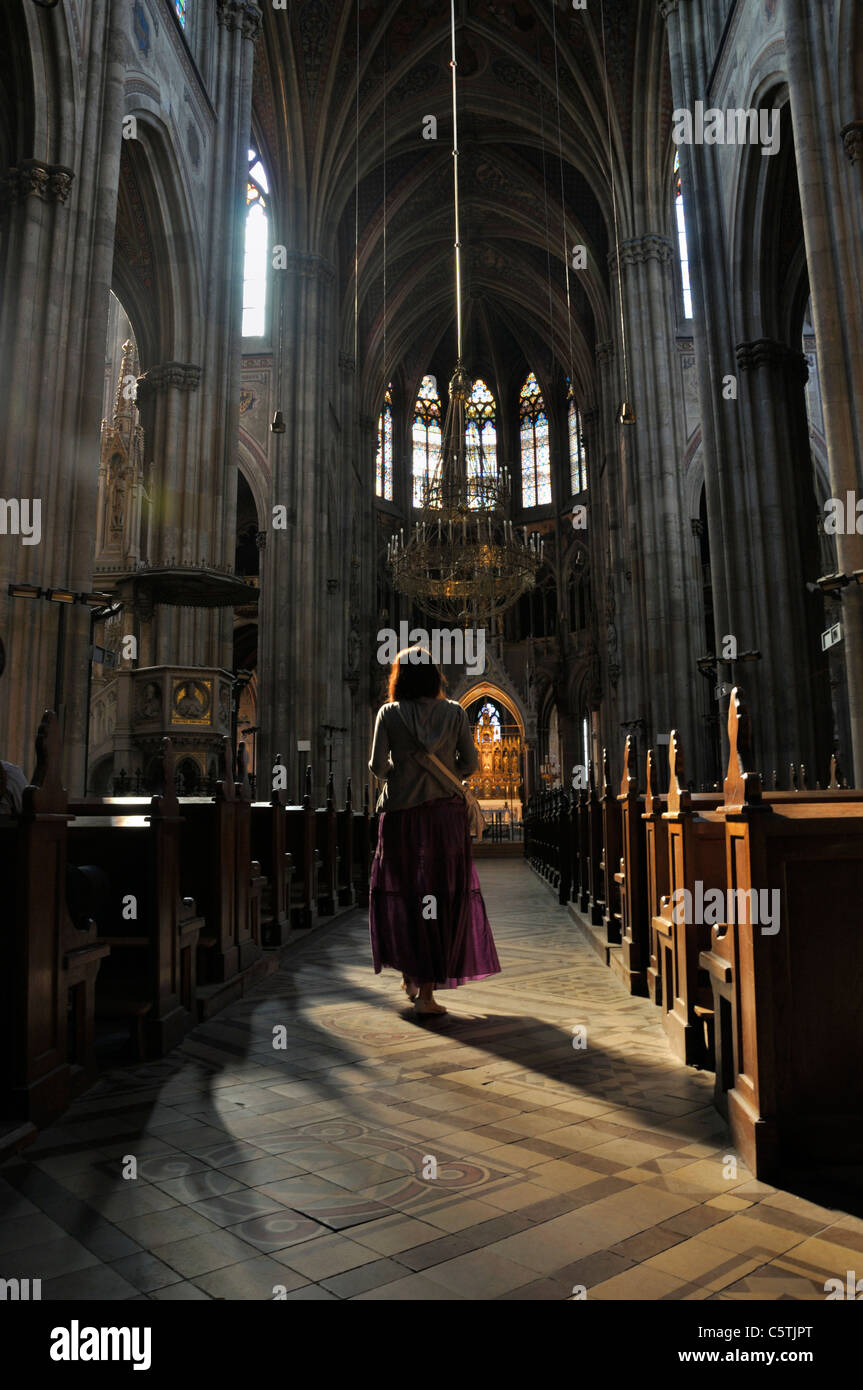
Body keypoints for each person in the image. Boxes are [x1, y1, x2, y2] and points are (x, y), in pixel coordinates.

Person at [368, 647, 501, 1016]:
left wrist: (404, 767)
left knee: (406, 896)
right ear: (434, 676)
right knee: (439, 899)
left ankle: (411, 974)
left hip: (401, 818)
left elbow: (378, 766)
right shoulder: (455, 713)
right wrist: (444, 767)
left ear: (400, 677)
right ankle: (427, 993)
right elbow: (471, 764)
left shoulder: (388, 713)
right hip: (444, 819)